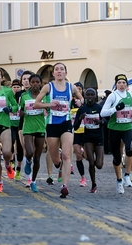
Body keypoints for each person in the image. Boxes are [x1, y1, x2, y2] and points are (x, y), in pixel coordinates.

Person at [33, 62, 84, 198]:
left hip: (66, 123)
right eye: (57, 69)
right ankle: (59, 165)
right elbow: (36, 104)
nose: (59, 71)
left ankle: (65, 186)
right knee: (56, 159)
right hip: (52, 124)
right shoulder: (48, 87)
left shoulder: (71, 87)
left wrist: (80, 102)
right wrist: (50, 104)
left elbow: (81, 98)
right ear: (54, 73)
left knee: (67, 155)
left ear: (66, 73)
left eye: (62, 69)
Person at [100, 74, 132, 194]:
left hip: (127, 127)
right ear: (116, 85)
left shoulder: (131, 95)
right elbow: (103, 113)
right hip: (114, 128)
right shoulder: (113, 96)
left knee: (129, 149)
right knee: (117, 157)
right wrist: (115, 109)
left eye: (124, 82)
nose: (122, 85)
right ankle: (119, 180)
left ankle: (127, 175)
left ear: (127, 84)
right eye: (119, 83)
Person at [73, 88, 105, 193]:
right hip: (87, 138)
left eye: (92, 95)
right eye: (88, 95)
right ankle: (93, 184)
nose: (90, 97)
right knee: (91, 162)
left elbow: (106, 121)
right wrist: (80, 119)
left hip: (98, 137)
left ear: (95, 96)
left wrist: (100, 121)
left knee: (99, 165)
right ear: (85, 96)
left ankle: (95, 164)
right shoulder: (82, 109)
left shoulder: (100, 108)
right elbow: (76, 127)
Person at [19, 74, 46, 192]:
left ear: (40, 83)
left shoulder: (45, 95)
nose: (35, 84)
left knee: (38, 157)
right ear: (29, 84)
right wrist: (21, 114)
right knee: (29, 152)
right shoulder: (24, 96)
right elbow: (20, 111)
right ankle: (27, 161)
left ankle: (33, 181)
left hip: (40, 127)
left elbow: (49, 108)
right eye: (33, 82)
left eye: (37, 82)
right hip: (28, 128)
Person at [70, 81, 86, 186]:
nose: (78, 91)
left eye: (80, 89)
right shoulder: (70, 102)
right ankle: (83, 178)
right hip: (75, 132)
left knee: (88, 156)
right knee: (78, 156)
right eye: (77, 89)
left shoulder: (86, 102)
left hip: (85, 132)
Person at [9, 79, 24, 181]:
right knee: (10, 142)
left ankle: (18, 168)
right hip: (10, 125)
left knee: (19, 147)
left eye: (18, 87)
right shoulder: (8, 97)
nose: (16, 89)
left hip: (20, 125)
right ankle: (11, 162)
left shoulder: (22, 97)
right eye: (14, 87)